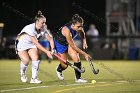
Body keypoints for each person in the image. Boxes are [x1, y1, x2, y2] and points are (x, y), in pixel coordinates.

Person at [15, 11, 55, 84]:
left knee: (35, 58)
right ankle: (22, 73)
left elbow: (51, 39)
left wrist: (53, 49)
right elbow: (36, 43)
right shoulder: (30, 28)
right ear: (37, 21)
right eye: (42, 22)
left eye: (44, 22)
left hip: (31, 44)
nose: (44, 24)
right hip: (21, 43)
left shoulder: (43, 28)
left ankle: (34, 79)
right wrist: (47, 52)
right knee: (26, 61)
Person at [54, 14, 91, 83]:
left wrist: (84, 42)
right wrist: (84, 54)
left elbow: (82, 33)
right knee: (65, 66)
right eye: (79, 27)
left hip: (68, 42)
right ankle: (59, 69)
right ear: (73, 25)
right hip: (60, 44)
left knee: (76, 57)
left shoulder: (78, 26)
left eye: (81, 26)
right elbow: (73, 46)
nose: (80, 28)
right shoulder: (67, 31)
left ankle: (78, 78)